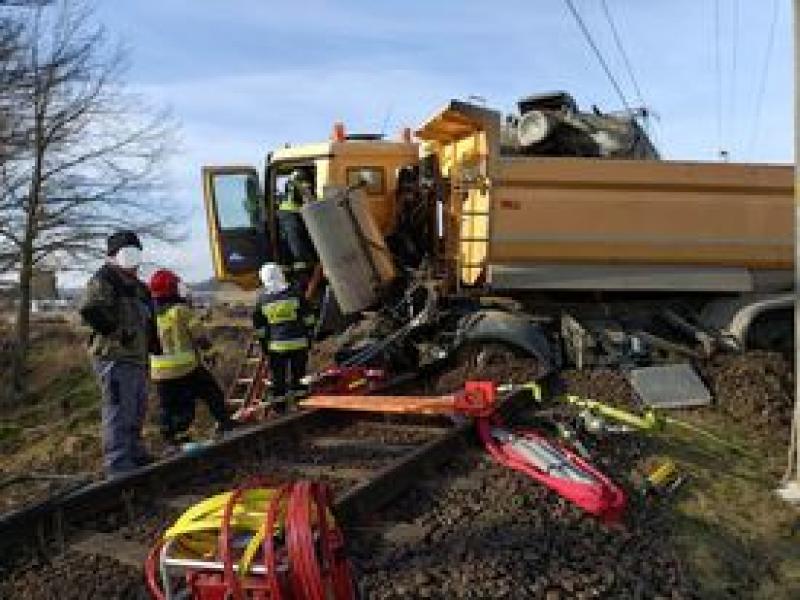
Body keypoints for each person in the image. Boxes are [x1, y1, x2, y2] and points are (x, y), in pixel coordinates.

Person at [79, 230, 158, 476]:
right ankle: (118, 464)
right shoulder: (105, 279)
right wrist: (117, 332)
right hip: (113, 357)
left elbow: (148, 320)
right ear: (115, 256)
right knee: (119, 410)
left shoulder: (139, 288)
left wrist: (154, 346)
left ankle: (134, 452)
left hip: (136, 357)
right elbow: (90, 310)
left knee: (137, 407)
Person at [148, 269, 234, 446]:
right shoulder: (181, 310)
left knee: (169, 407)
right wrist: (211, 354)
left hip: (158, 373)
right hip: (185, 369)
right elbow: (200, 338)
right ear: (172, 289)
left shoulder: (148, 313)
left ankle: (171, 441)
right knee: (212, 394)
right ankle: (226, 424)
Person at [253, 263, 314, 413]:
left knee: (278, 380)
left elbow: (260, 328)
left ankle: (280, 409)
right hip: (299, 344)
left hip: (276, 348)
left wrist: (264, 346)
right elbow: (309, 318)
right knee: (299, 376)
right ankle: (302, 404)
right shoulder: (295, 293)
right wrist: (309, 336)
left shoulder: (262, 300)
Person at [276, 168, 318, 293]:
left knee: (293, 248)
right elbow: (310, 200)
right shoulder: (300, 184)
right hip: (292, 215)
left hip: (286, 214)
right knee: (299, 251)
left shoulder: (289, 183)